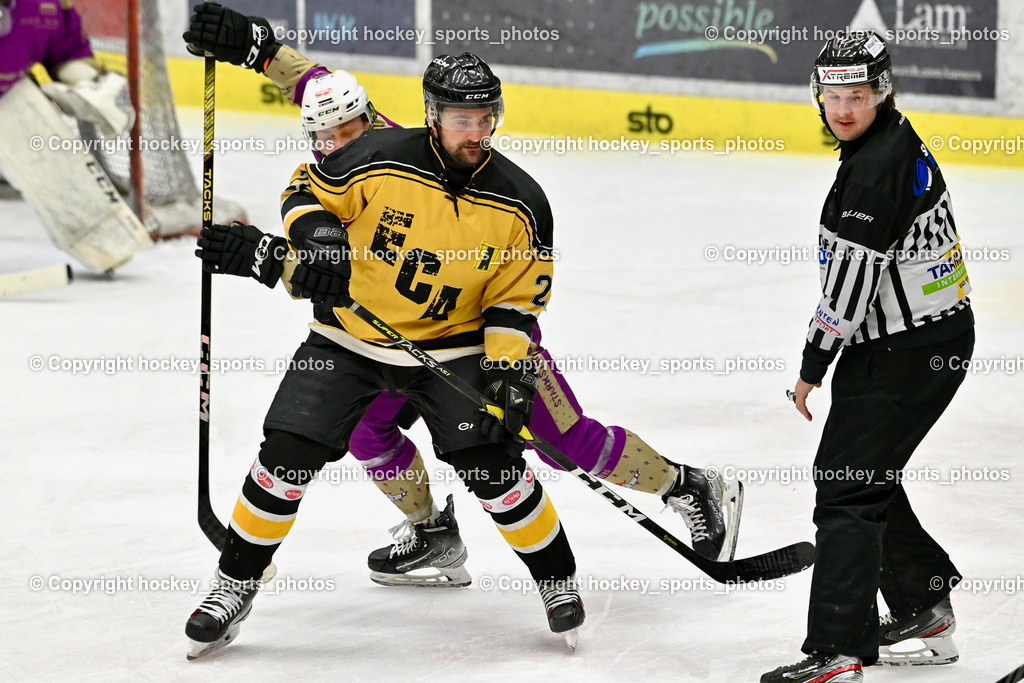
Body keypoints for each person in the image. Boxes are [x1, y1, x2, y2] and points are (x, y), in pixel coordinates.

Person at [185, 3, 744, 583]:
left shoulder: (399, 150)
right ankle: (432, 532)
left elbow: (511, 289)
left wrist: (264, 53)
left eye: (352, 131)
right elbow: (316, 95)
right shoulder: (338, 170)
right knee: (361, 428)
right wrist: (255, 48)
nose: (340, 143)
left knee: (564, 442)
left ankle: (687, 484)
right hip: (388, 339)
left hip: (480, 341)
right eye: (327, 135)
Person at [185, 52, 586, 660]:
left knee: (493, 467)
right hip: (349, 340)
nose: (474, 132)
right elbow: (305, 189)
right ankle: (233, 586)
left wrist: (507, 370)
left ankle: (557, 581)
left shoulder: (522, 201)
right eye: (460, 118)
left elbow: (514, 299)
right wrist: (309, 238)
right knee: (287, 455)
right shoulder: (379, 156)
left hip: (455, 350)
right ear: (432, 115)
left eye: (484, 118)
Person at [761, 31, 974, 682]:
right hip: (934, 338)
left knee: (847, 489)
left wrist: (810, 366)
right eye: (833, 96)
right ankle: (922, 604)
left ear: (883, 92)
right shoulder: (892, 138)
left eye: (858, 95)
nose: (843, 108)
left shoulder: (873, 168)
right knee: (865, 477)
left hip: (902, 351)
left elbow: (848, 291)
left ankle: (841, 645)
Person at [0, 0, 152, 273]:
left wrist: (88, 85)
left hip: (7, 97)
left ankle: (103, 241)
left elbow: (67, 50)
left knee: (46, 144)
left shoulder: (44, 7)